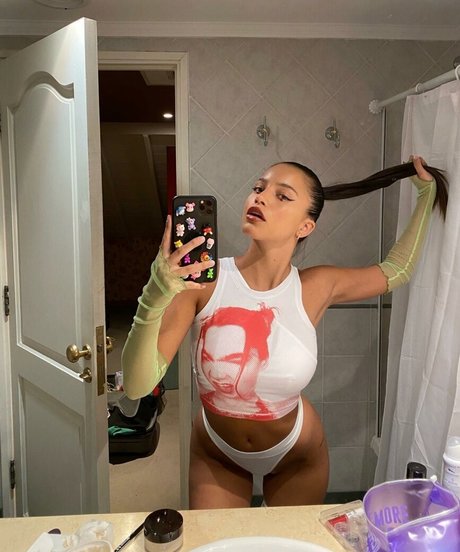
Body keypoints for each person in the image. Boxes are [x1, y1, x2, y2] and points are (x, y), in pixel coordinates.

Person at [121, 155, 448, 509]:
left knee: (285, 540)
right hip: (217, 452)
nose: (260, 197)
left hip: (297, 455)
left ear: (305, 226)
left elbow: (397, 270)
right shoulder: (203, 282)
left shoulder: (316, 286)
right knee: (222, 540)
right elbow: (138, 386)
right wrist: (154, 294)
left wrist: (425, 196)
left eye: (282, 195)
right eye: (258, 188)